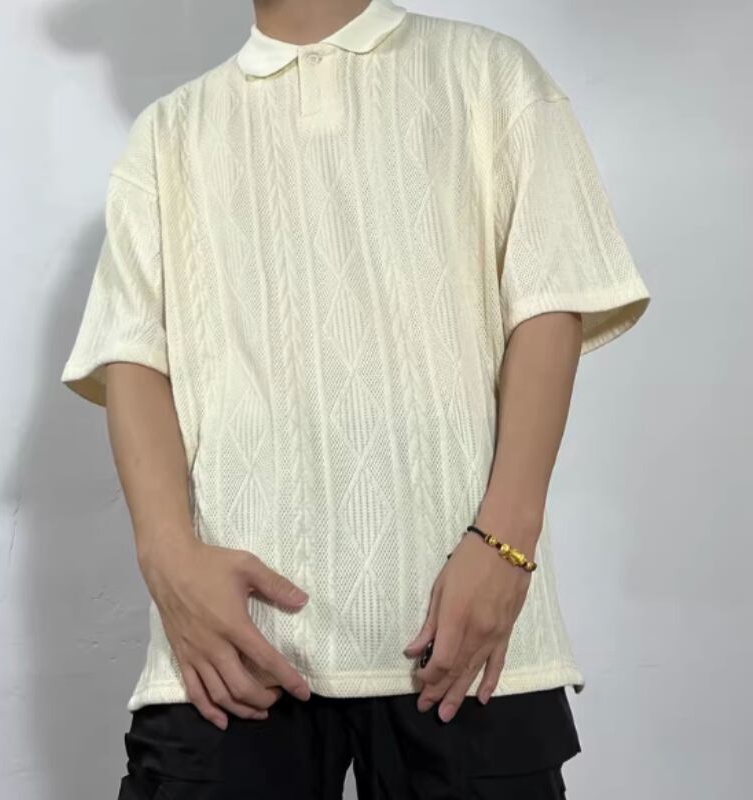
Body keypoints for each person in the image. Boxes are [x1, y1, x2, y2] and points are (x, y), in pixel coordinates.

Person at [60, 0, 651, 797]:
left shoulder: (492, 75)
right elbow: (133, 356)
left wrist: (505, 545)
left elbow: (550, 302)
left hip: (461, 624)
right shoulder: (168, 134)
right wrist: (168, 561)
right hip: (231, 639)